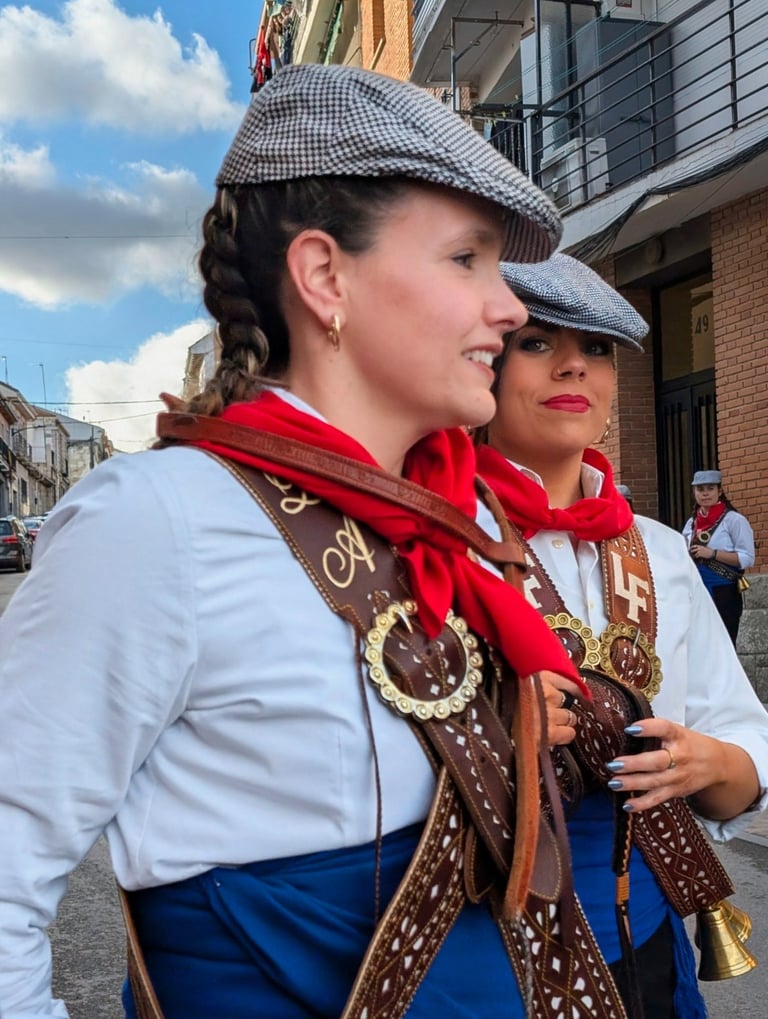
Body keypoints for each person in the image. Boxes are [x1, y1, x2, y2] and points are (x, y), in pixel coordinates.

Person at [0, 64, 620, 1019]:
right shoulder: (157, 522)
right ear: (326, 276)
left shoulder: (464, 527)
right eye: (468, 260)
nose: (509, 307)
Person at [475, 253, 768, 1018]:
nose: (574, 363)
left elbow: (745, 753)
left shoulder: (659, 549)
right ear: (485, 366)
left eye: (597, 347)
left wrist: (710, 760)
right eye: (537, 341)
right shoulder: (436, 533)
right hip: (484, 934)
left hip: (641, 934)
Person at [682, 469, 755, 645]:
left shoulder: (734, 520)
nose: (705, 493)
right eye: (700, 489)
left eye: (710, 488)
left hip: (724, 591)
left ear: (719, 491)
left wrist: (713, 554)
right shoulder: (691, 523)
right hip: (697, 590)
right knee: (700, 643)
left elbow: (747, 558)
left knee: (724, 643)